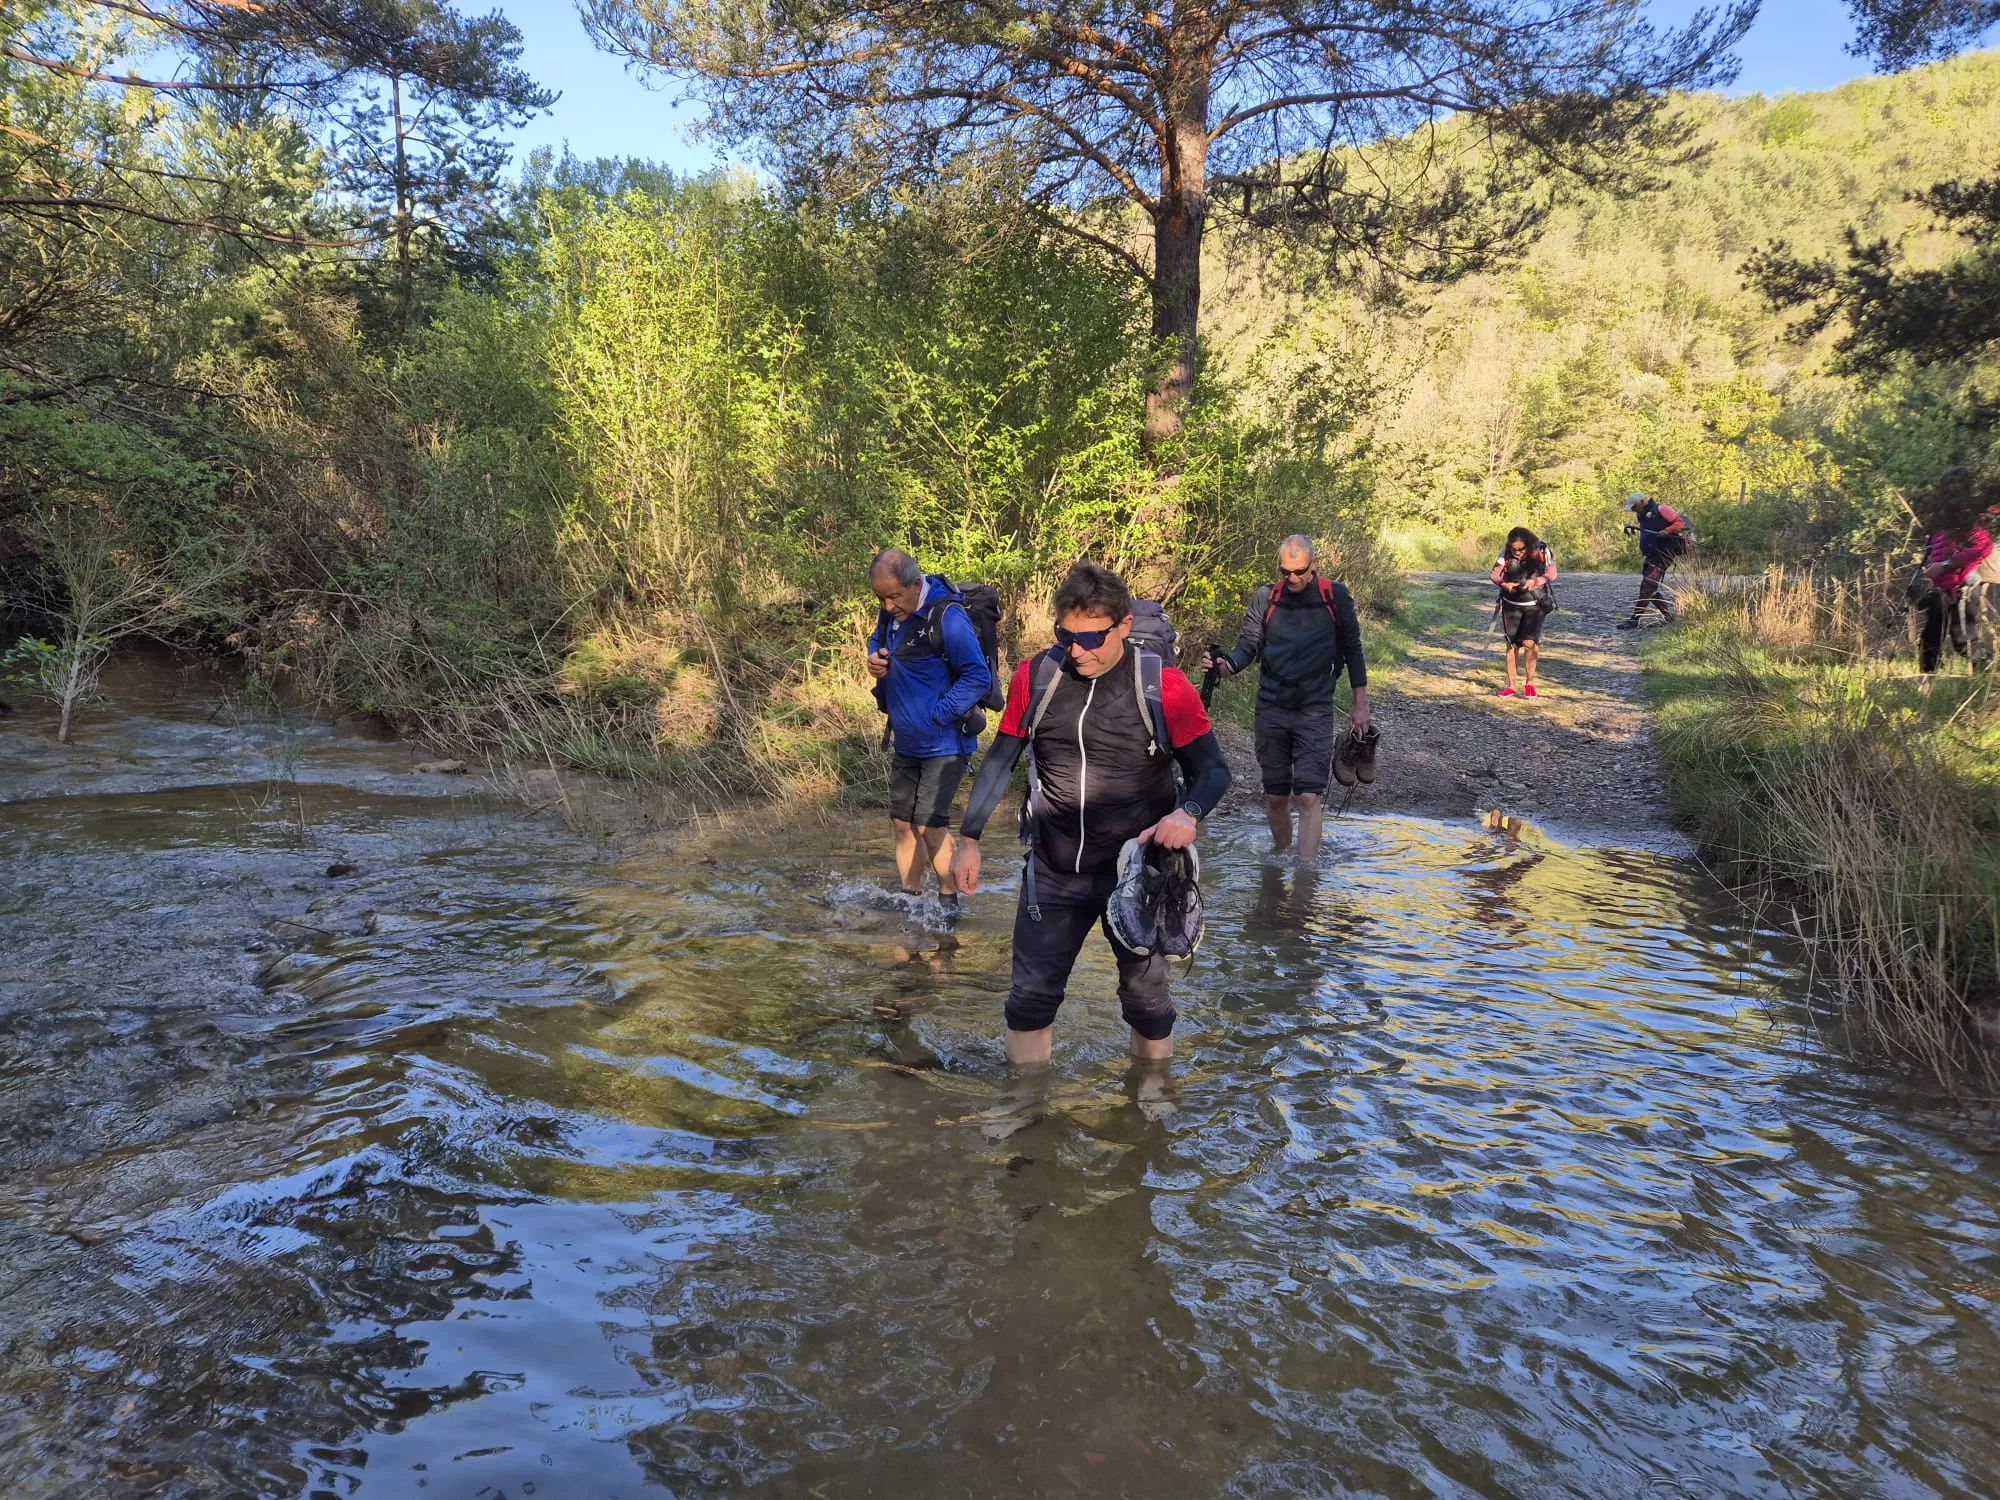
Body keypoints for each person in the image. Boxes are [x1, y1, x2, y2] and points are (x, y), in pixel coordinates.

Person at [950, 561, 1231, 1066]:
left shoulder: (1163, 687)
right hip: (1054, 871)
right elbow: (1000, 759)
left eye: (1092, 638)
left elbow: (1213, 771)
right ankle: (1026, 1113)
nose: (1076, 650)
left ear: (1123, 625)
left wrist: (1187, 813)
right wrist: (968, 839)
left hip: (1139, 874)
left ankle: (1149, 1107)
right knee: (1029, 1004)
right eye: (1066, 635)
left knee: (1148, 1006)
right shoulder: (1036, 677)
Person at [1199, 535, 1370, 864]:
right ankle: (1279, 857)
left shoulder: (1335, 596)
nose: (1292, 578)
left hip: (1315, 708)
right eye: (1285, 571)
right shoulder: (1267, 597)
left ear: (1315, 565)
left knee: (1307, 796)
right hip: (1272, 707)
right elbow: (1247, 645)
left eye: (1299, 571)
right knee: (1277, 797)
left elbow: (1353, 649)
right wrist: (1225, 666)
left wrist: (1360, 704)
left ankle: (1306, 876)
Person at [865, 549, 991, 913]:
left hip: (945, 742)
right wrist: (875, 659)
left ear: (915, 584)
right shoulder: (891, 612)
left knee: (929, 826)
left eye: (893, 596)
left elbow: (977, 677)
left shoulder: (947, 618)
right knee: (902, 823)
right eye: (881, 598)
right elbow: (880, 640)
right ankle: (910, 898)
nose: (887, 606)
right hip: (907, 739)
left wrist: (938, 714)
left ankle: (948, 903)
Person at [1490, 526, 1557, 698]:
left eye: (1521, 549)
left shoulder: (1542, 550)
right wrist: (1503, 584)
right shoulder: (1504, 553)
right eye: (1514, 549)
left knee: (1529, 642)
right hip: (1510, 604)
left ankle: (1530, 683)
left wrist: (1535, 581)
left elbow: (1552, 574)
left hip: (1535, 604)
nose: (1517, 553)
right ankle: (1511, 685)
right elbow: (1494, 575)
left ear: (1529, 545)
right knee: (1512, 645)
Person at [1616, 491, 1691, 629]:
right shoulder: (1641, 515)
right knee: (1651, 587)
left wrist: (1667, 531)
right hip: (1652, 553)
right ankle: (1668, 617)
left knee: (1648, 584)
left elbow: (1679, 523)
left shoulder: (1662, 509)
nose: (1632, 510)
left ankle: (1634, 620)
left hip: (1665, 552)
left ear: (1641, 503)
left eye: (1634, 507)